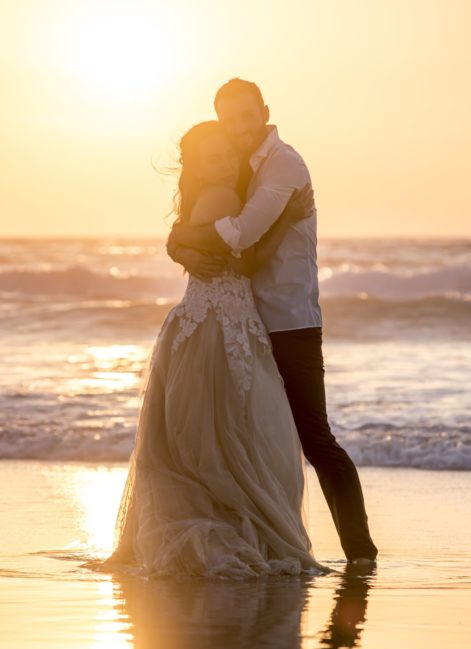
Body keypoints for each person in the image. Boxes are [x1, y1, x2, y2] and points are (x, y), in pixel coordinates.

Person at [97, 120, 327, 579]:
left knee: (216, 440)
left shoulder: (213, 199)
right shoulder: (225, 199)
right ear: (197, 166)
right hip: (219, 331)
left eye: (227, 155)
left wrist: (179, 240)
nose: (223, 164)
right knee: (240, 439)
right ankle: (233, 529)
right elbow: (252, 260)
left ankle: (225, 521)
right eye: (212, 158)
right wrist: (288, 218)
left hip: (207, 324)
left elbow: (195, 238)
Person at [167, 78, 378, 565]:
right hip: (243, 324)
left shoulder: (283, 164)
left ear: (264, 111)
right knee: (249, 440)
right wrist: (177, 241)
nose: (238, 127)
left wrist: (182, 236)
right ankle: (252, 540)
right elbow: (210, 208)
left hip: (288, 323)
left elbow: (239, 237)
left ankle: (361, 554)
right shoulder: (238, 166)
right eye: (229, 119)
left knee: (314, 439)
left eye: (246, 115)